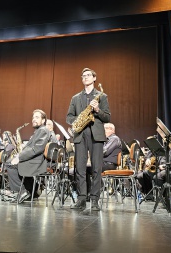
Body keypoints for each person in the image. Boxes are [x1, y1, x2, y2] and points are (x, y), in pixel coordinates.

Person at [66, 67, 111, 211]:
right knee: (79, 168)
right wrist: (78, 120)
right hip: (80, 134)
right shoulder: (75, 98)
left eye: (88, 75)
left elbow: (107, 117)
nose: (85, 77)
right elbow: (69, 117)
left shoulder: (101, 96)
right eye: (83, 76)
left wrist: (97, 110)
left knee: (97, 168)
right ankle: (81, 199)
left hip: (96, 135)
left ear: (94, 78)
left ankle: (95, 200)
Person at [10, 109, 55, 203]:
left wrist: (19, 157)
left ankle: (23, 191)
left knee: (11, 165)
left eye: (37, 117)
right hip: (36, 159)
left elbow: (37, 149)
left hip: (38, 162)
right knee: (12, 161)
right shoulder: (39, 131)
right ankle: (32, 192)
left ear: (43, 121)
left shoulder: (43, 130)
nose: (34, 119)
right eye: (33, 117)